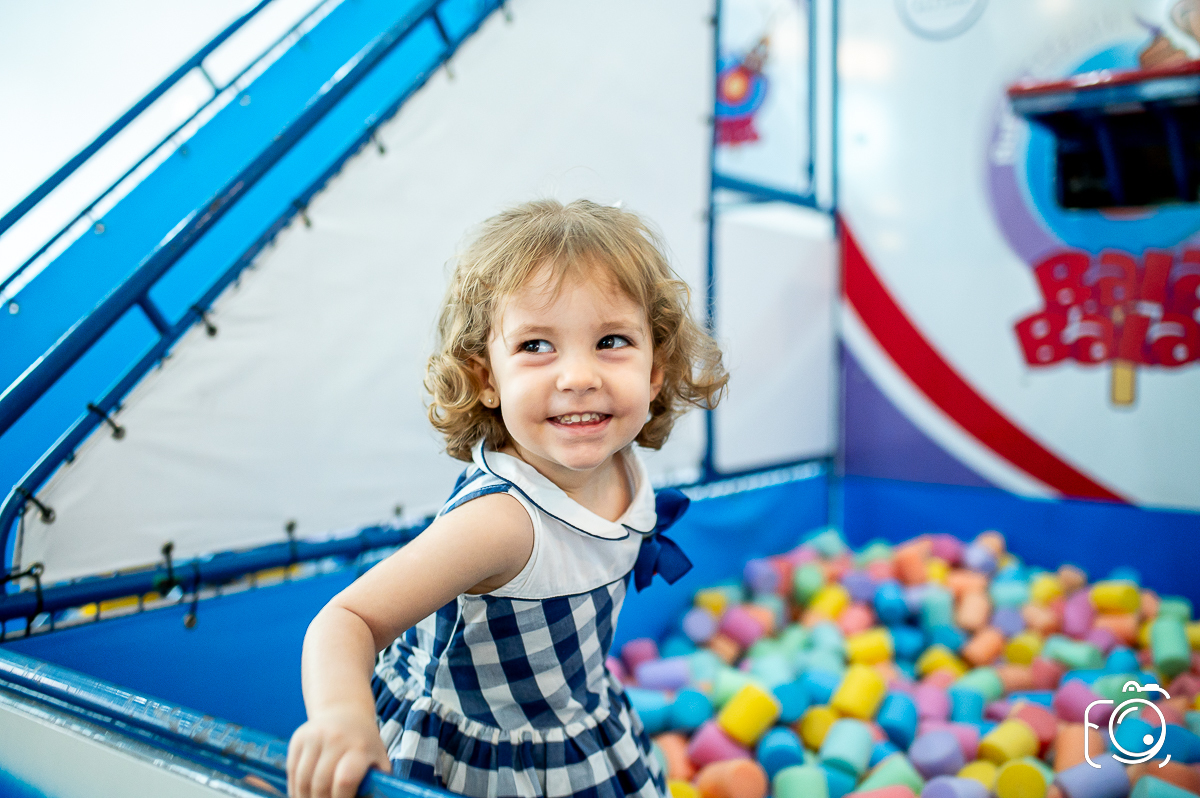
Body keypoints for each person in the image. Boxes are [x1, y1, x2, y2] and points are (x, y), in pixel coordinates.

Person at [287, 199, 727, 798]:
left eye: (612, 340)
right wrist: (342, 719)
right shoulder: (501, 522)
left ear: (655, 371)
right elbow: (347, 619)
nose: (578, 376)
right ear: (487, 379)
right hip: (481, 757)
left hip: (576, 722)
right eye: (536, 347)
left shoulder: (623, 465)